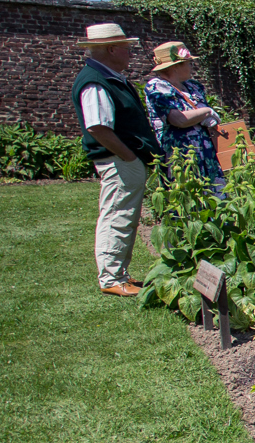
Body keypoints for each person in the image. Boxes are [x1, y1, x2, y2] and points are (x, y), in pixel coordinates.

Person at [73, 23, 164, 297]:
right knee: (117, 215)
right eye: (127, 49)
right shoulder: (95, 80)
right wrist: (128, 155)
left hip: (124, 160)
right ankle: (111, 278)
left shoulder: (108, 77)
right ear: (111, 49)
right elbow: (97, 127)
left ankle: (119, 274)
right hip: (118, 161)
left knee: (125, 216)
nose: (130, 55)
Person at [143, 41, 224, 193]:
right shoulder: (157, 87)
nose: (191, 66)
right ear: (175, 67)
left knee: (214, 200)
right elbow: (179, 119)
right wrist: (207, 111)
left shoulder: (194, 86)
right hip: (180, 157)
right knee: (187, 198)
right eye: (188, 63)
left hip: (206, 153)